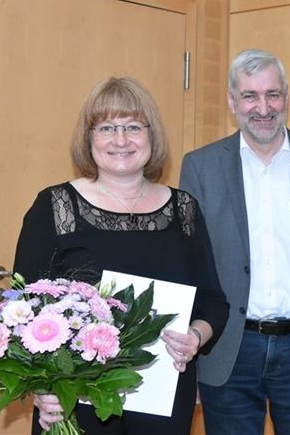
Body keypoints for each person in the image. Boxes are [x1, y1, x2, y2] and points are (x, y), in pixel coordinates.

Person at [13, 77, 229, 434]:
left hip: (163, 395)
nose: (120, 140)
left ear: (151, 135)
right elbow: (23, 312)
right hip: (73, 399)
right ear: (89, 138)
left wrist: (195, 337)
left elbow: (214, 302)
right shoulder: (54, 206)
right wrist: (42, 389)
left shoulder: (184, 209)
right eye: (107, 127)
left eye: (132, 127)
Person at [179, 48, 290, 435]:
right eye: (250, 96)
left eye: (272, 94)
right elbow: (190, 268)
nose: (263, 107)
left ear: (287, 98)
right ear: (232, 101)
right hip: (227, 350)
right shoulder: (200, 167)